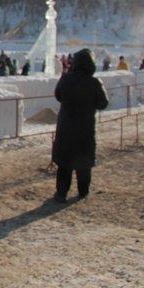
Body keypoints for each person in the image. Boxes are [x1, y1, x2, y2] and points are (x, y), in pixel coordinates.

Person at [52, 48, 109, 202]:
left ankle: (61, 193)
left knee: (64, 164)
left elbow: (58, 95)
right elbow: (103, 103)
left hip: (66, 128)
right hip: (85, 129)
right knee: (83, 164)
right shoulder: (95, 82)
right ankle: (83, 192)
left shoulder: (66, 79)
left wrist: (65, 74)